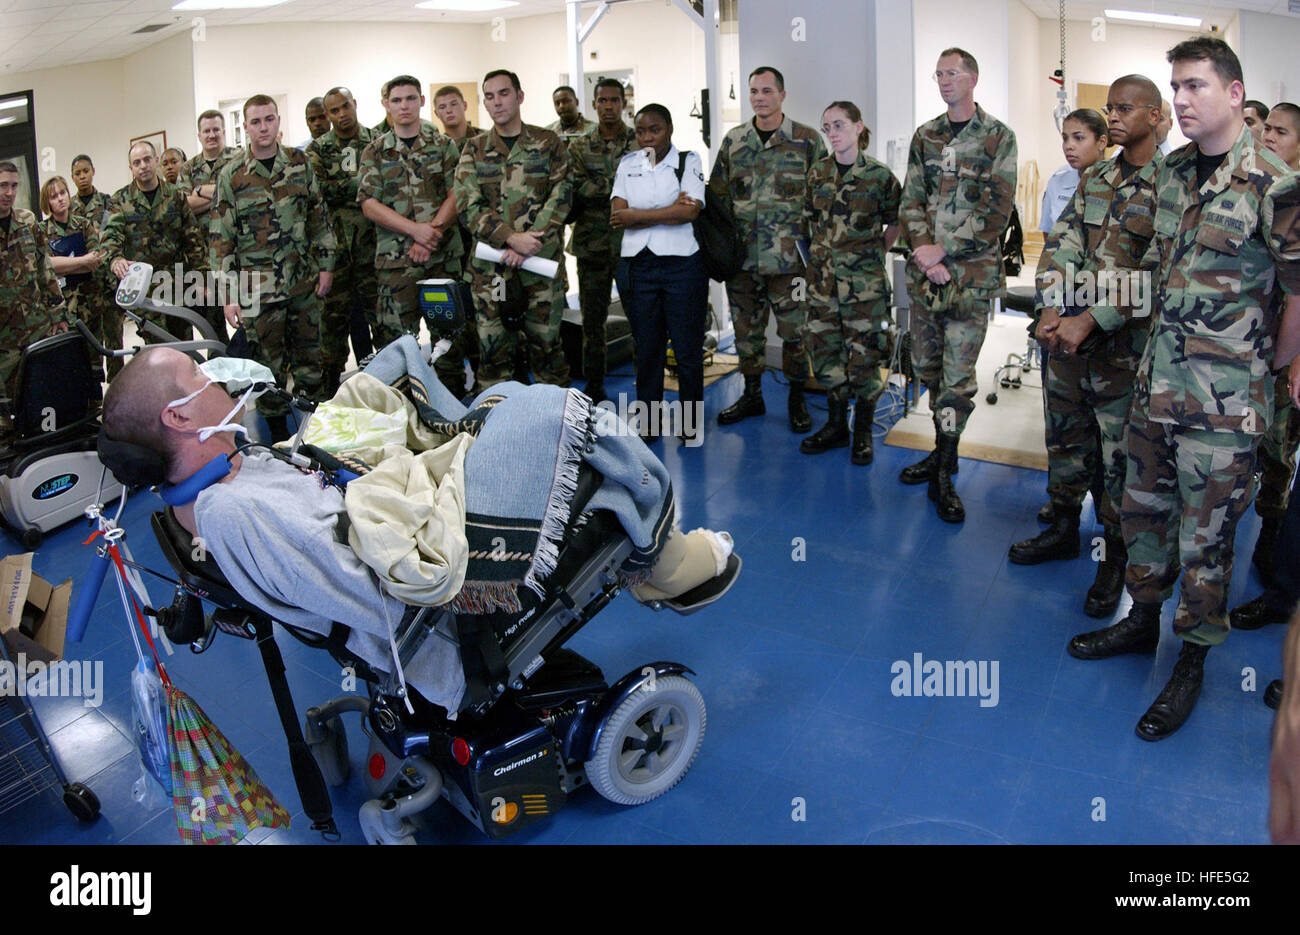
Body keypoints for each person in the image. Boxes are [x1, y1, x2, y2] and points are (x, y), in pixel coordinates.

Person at [99, 344, 738, 714]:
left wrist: (369, 453)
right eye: (198, 376)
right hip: (438, 630)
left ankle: (650, 548)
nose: (215, 376)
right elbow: (379, 592)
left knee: (447, 379)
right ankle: (661, 562)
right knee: (554, 414)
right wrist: (410, 482)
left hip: (376, 505)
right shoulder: (235, 512)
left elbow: (310, 490)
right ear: (180, 417)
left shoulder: (221, 472)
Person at [1066, 38, 1300, 741]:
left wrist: (1264, 370)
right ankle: (1141, 620)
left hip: (1223, 407)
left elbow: (1299, 294)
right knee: (1140, 515)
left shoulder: (1275, 182)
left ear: (1234, 93)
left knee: (1207, 540)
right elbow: (1156, 271)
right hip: (1154, 386)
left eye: (1197, 85)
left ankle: (1192, 659)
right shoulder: (1169, 173)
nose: (1183, 99)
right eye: (1176, 86)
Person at [1011, 78, 1163, 623]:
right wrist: (1052, 306)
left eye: (1124, 109)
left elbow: (1156, 272)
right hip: (1067, 343)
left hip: (1122, 350)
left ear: (1155, 113)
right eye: (1110, 108)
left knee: (1117, 458)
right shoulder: (1096, 176)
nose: (1114, 117)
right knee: (1066, 437)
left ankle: (1114, 558)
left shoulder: (1171, 184)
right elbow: (1064, 242)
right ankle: (1062, 529)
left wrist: (1089, 319)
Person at [897, 47, 1017, 523]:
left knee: (958, 382)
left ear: (973, 78)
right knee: (927, 368)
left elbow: (997, 211)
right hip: (926, 279)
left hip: (968, 280)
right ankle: (937, 446)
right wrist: (925, 254)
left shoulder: (997, 138)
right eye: (939, 74)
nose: (944, 81)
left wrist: (943, 250)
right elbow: (911, 198)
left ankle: (947, 468)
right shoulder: (925, 135)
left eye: (953, 73)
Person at [210, 94, 337, 442]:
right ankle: (280, 438)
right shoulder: (232, 175)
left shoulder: (299, 162)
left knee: (312, 361)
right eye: (255, 121)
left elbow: (318, 217)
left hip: (302, 282)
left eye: (269, 119)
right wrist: (229, 295)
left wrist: (326, 266)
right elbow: (222, 239)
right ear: (246, 127)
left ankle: (314, 434)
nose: (263, 127)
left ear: (278, 121)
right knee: (267, 370)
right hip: (258, 290)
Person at [711, 66, 827, 433]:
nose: (759, 97)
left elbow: (824, 200)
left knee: (796, 335)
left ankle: (796, 398)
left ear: (782, 95)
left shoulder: (807, 141)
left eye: (767, 91)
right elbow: (717, 200)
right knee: (747, 333)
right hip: (744, 262)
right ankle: (752, 394)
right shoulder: (735, 142)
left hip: (791, 264)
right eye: (754, 92)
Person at [454, 69, 572, 391]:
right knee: (494, 352)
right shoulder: (474, 150)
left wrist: (529, 243)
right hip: (494, 273)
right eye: (489, 96)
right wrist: (510, 238)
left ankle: (557, 430)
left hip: (539, 268)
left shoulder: (548, 143)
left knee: (547, 350)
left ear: (519, 96)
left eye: (504, 93)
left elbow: (562, 196)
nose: (497, 102)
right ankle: (497, 430)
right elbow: (468, 205)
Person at [799, 101, 901, 464]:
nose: (832, 133)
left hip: (865, 288)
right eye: (826, 127)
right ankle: (837, 425)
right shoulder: (817, 174)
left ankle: (863, 432)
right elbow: (807, 225)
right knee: (826, 354)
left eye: (839, 125)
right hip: (823, 286)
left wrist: (874, 253)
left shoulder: (879, 176)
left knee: (865, 356)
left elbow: (896, 221)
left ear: (859, 127)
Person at [357, 76, 467, 398]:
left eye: (409, 99)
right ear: (386, 105)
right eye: (396, 100)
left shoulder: (443, 146)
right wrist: (414, 231)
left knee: (448, 340)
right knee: (396, 345)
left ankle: (454, 410)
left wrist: (430, 232)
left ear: (421, 101)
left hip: (441, 260)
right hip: (396, 264)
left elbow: (458, 192)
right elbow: (368, 204)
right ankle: (405, 414)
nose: (403, 106)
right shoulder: (374, 151)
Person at [610, 103, 706, 445]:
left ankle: (691, 424)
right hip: (638, 266)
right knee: (647, 348)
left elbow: (689, 212)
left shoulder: (688, 161)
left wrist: (639, 216)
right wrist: (665, 212)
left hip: (682, 266)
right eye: (640, 131)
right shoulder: (627, 163)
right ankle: (649, 423)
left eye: (655, 130)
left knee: (687, 350)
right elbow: (618, 214)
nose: (647, 137)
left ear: (670, 129)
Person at [568, 78, 637, 403]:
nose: (608, 106)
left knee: (640, 320)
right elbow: (575, 190)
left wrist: (600, 184)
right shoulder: (579, 146)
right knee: (592, 322)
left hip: (633, 245)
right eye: (602, 100)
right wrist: (618, 185)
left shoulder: (640, 143)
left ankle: (645, 385)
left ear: (623, 103)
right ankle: (594, 385)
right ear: (594, 104)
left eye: (614, 100)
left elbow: (645, 189)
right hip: (592, 246)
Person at [99, 140, 207, 346]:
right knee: (155, 350)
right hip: (145, 291)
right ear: (131, 168)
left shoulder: (175, 196)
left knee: (183, 346)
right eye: (137, 162)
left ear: (156, 160)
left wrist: (201, 276)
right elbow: (108, 236)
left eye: (147, 159)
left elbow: (193, 239)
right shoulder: (119, 201)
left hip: (177, 285)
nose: (143, 166)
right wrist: (115, 259)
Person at [1254, 100, 1300, 580]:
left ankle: (1270, 539)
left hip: (1287, 357)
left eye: (1281, 133)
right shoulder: (1256, 196)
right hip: (1252, 348)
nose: (1268, 138)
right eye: (1266, 129)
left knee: (1278, 448)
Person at [309, 86, 378, 396]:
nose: (340, 115)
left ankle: (389, 388)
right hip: (334, 255)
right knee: (332, 329)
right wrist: (362, 185)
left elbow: (384, 185)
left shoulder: (377, 141)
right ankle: (326, 400)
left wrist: (352, 187)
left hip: (374, 248)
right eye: (333, 111)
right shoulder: (317, 149)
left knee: (383, 323)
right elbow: (320, 191)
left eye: (344, 107)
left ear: (355, 104)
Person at [0, 161, 69, 408]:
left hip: (37, 326)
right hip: (4, 338)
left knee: (43, 392)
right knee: (7, 405)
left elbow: (45, 271)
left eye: (14, 186)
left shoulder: (27, 223)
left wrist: (58, 313)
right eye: (3, 186)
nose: (9, 193)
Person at [39, 175, 115, 390]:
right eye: (54, 196)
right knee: (70, 357)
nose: (60, 199)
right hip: (63, 306)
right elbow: (48, 265)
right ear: (47, 202)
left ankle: (95, 401)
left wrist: (69, 264)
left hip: (91, 300)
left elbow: (96, 259)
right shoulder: (42, 231)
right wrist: (81, 261)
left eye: (63, 193)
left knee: (94, 355)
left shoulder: (83, 224)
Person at [1040, 109, 1107, 234]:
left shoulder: (1118, 184)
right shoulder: (1057, 182)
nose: (1068, 146)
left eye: (1079, 138)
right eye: (1065, 138)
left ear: (1101, 142)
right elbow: (1048, 233)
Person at [69, 154, 111, 227]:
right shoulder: (68, 206)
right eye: (77, 174)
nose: (82, 177)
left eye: (86, 171)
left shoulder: (106, 201)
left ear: (93, 171)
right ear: (72, 177)